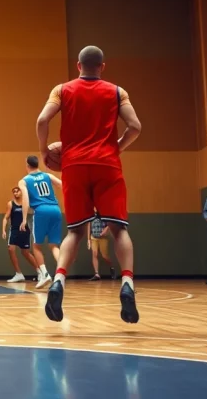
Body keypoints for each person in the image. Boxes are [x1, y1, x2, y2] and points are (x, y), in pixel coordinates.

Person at [36, 45, 142, 324]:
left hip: (74, 166)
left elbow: (42, 119)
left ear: (78, 65)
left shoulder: (61, 90)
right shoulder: (118, 92)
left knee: (74, 232)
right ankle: (127, 284)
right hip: (108, 165)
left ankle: (58, 280)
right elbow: (136, 127)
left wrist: (44, 150)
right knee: (119, 230)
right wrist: (116, 147)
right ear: (103, 66)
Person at [17, 155, 63, 289]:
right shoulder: (48, 176)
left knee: (36, 246)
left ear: (27, 165)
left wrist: (24, 219)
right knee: (54, 245)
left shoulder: (24, 181)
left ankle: (45, 274)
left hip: (41, 211)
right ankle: (61, 275)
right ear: (37, 164)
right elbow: (62, 185)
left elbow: (25, 199)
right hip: (56, 209)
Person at [1, 186, 41, 283]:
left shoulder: (25, 203)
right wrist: (3, 230)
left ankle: (40, 272)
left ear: (21, 192)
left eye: (17, 191)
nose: (15, 193)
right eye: (14, 192)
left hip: (24, 229)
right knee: (10, 248)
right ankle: (18, 273)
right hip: (14, 229)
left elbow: (34, 210)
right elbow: (6, 218)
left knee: (25, 252)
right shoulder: (11, 204)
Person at [87, 214, 116, 281]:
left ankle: (112, 267)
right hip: (93, 237)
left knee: (104, 256)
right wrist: (88, 239)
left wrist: (106, 229)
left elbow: (109, 223)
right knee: (95, 254)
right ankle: (96, 274)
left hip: (103, 237)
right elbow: (89, 225)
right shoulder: (91, 214)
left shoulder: (104, 213)